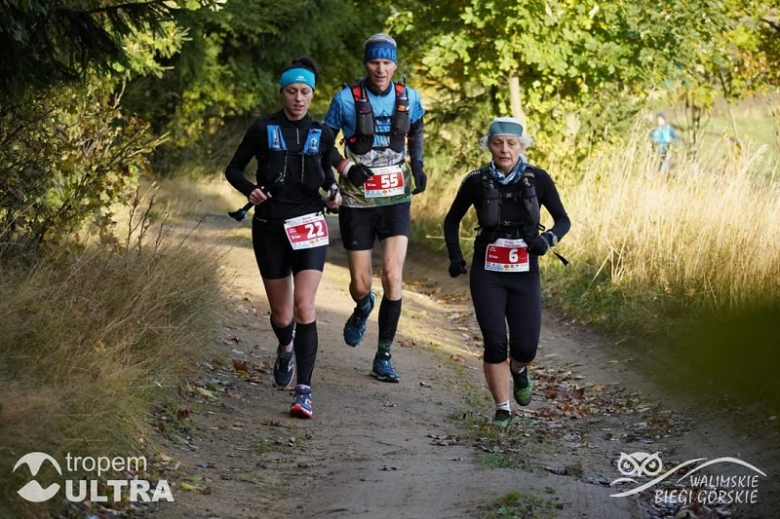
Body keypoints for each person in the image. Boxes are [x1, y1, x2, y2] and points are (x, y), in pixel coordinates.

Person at [225, 57, 342, 419]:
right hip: (270, 227)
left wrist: (334, 193)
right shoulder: (263, 128)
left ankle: (304, 391)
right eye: (292, 91)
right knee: (282, 313)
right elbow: (233, 168)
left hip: (309, 226)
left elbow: (328, 175)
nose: (298, 98)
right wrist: (249, 190)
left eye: (305, 92)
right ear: (282, 93)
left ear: (312, 94)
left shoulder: (322, 134)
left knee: (305, 306)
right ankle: (286, 346)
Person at [443, 117, 571, 427]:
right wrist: (456, 257)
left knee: (525, 346)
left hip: (525, 271)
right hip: (487, 271)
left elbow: (563, 221)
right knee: (495, 341)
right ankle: (502, 408)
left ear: (521, 146)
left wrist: (547, 239)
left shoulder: (538, 179)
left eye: (511, 143)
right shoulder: (475, 181)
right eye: (498, 143)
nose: (504, 149)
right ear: (488, 146)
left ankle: (519, 370)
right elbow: (451, 220)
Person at [323, 33, 426, 383]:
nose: (380, 69)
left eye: (386, 62)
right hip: (357, 199)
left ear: (395, 64)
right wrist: (345, 168)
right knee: (360, 284)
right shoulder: (345, 100)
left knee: (394, 278)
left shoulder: (409, 97)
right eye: (374, 62)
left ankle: (383, 355)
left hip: (396, 197)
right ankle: (363, 306)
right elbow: (322, 144)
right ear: (365, 64)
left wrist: (419, 165)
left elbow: (416, 131)